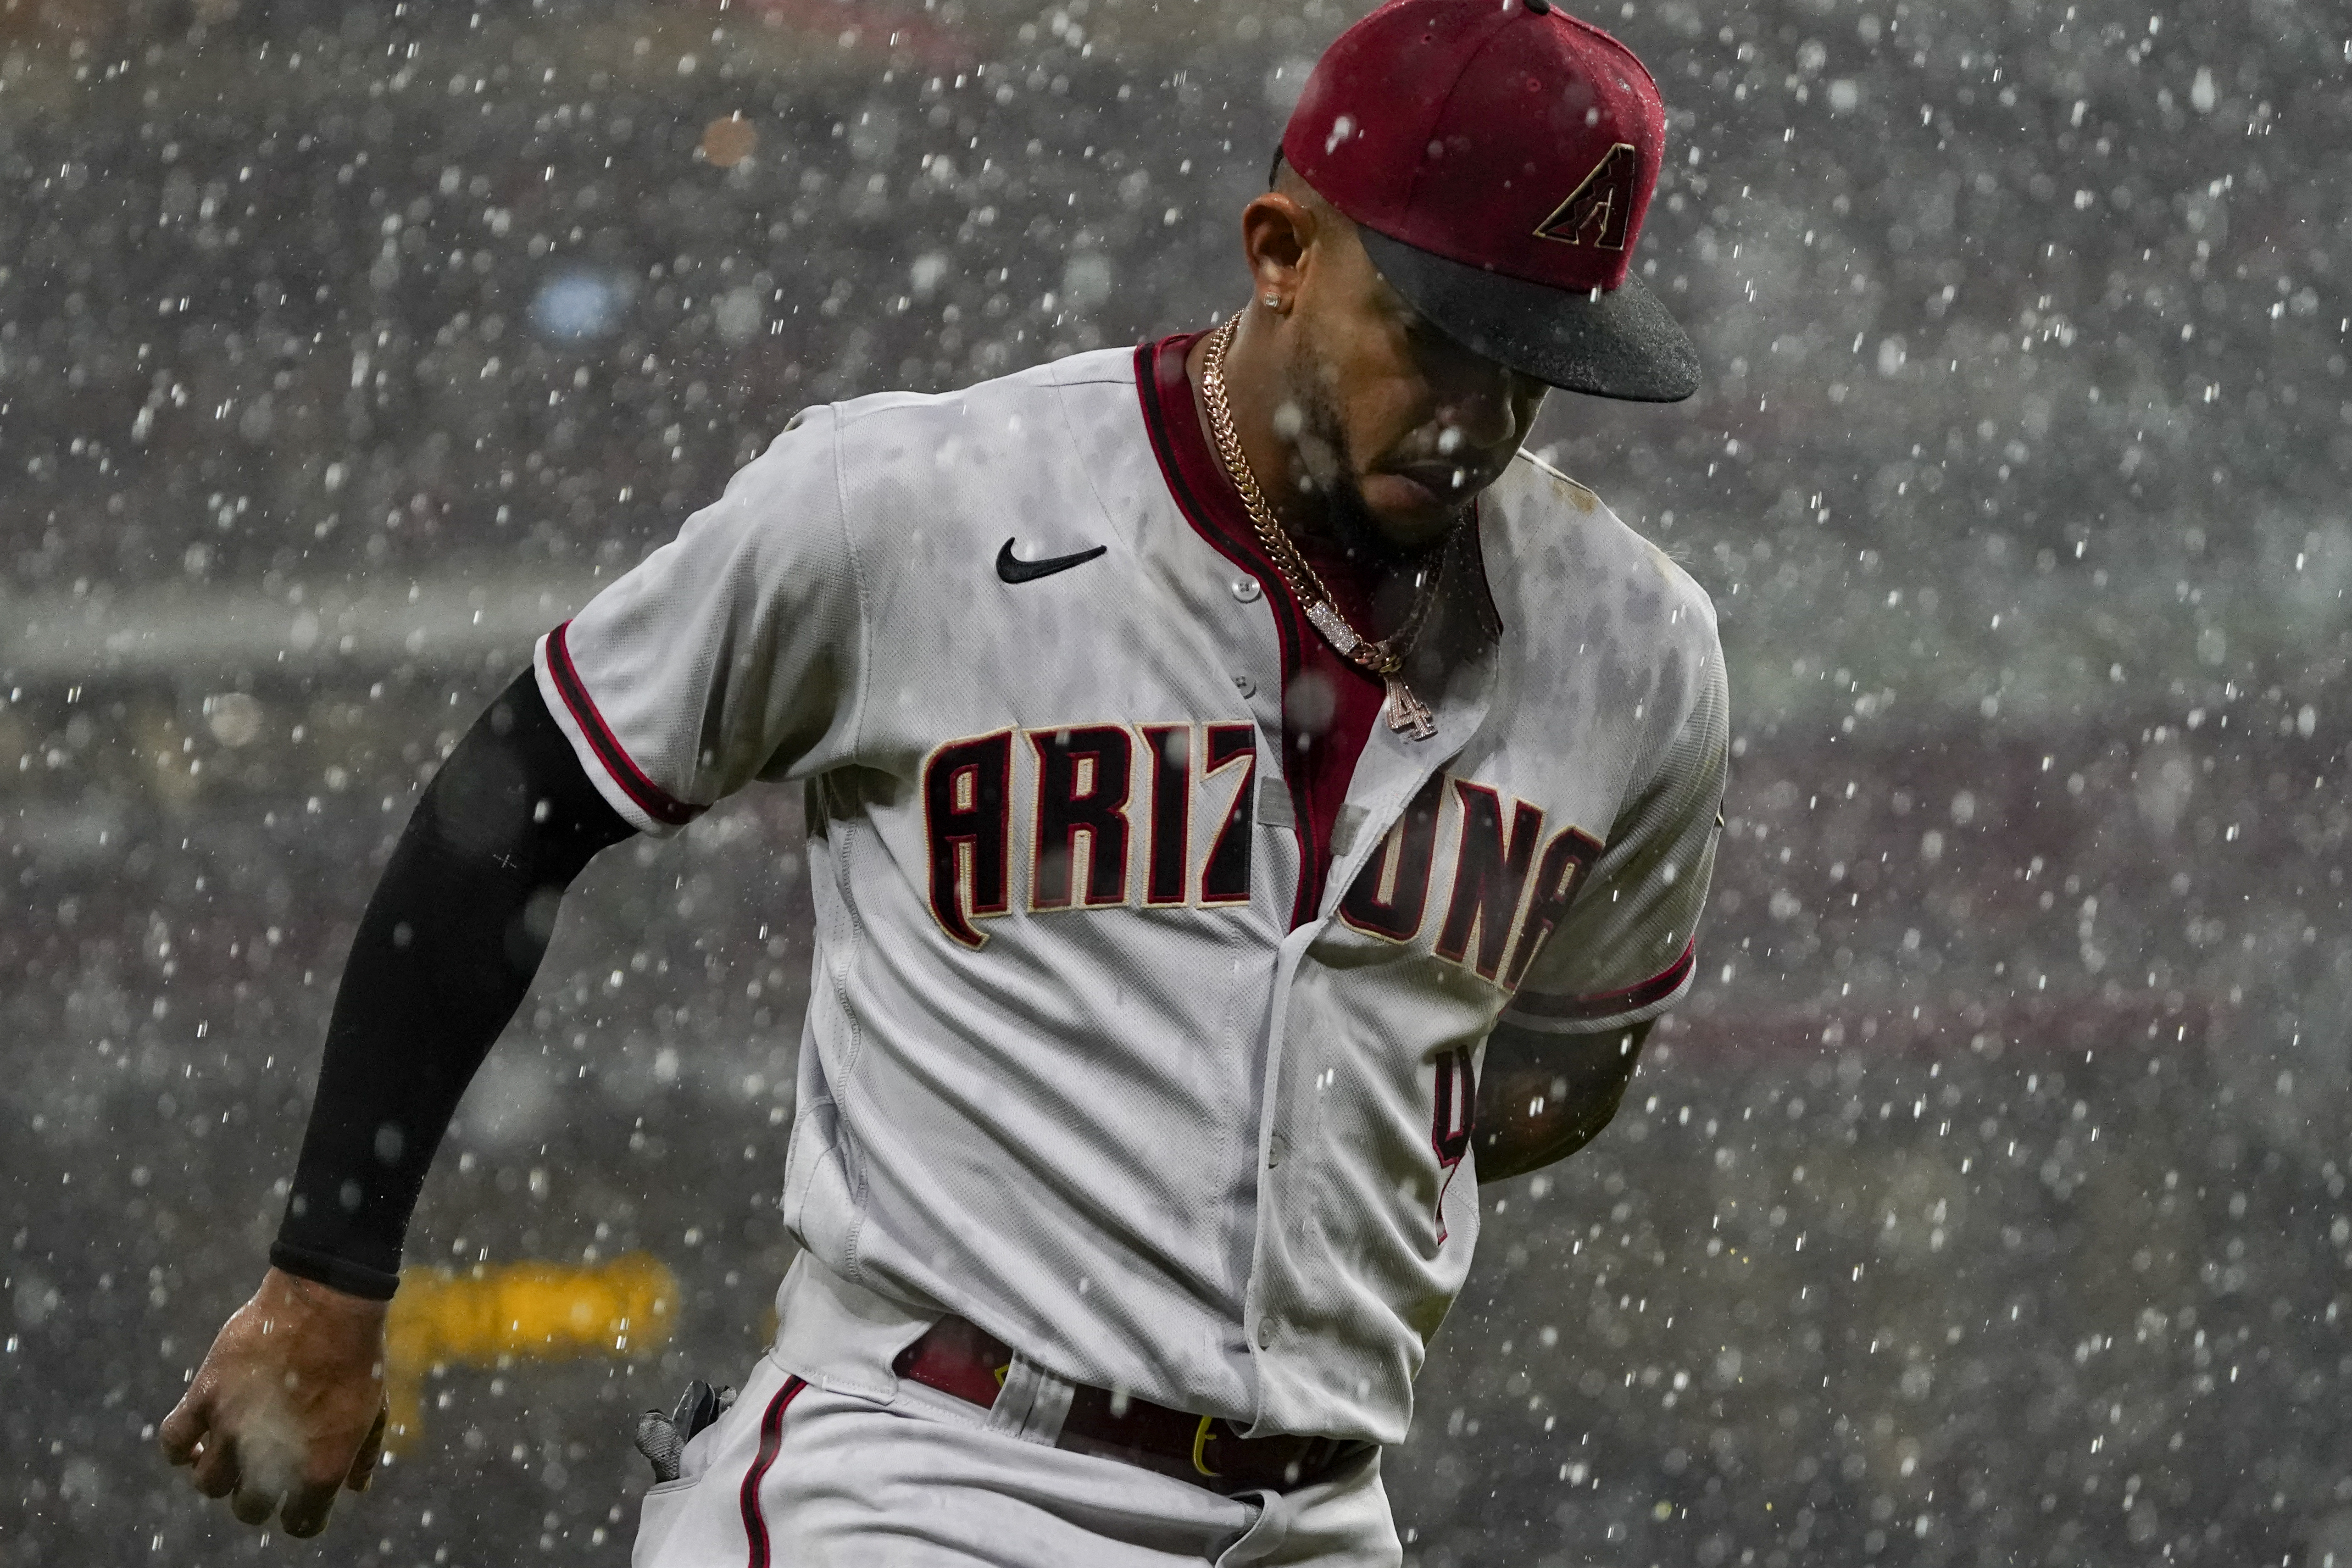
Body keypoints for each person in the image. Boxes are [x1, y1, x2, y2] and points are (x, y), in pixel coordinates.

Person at [158, 1, 1727, 1561]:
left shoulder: (1636, 648)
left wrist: (1281, 1073)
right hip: (927, 1473)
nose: (1479, 417)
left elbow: (1550, 1080)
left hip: (1319, 1508)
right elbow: (510, 809)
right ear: (1279, 249)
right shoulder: (915, 502)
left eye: (1534, 361)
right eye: (1440, 335)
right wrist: (328, 1269)